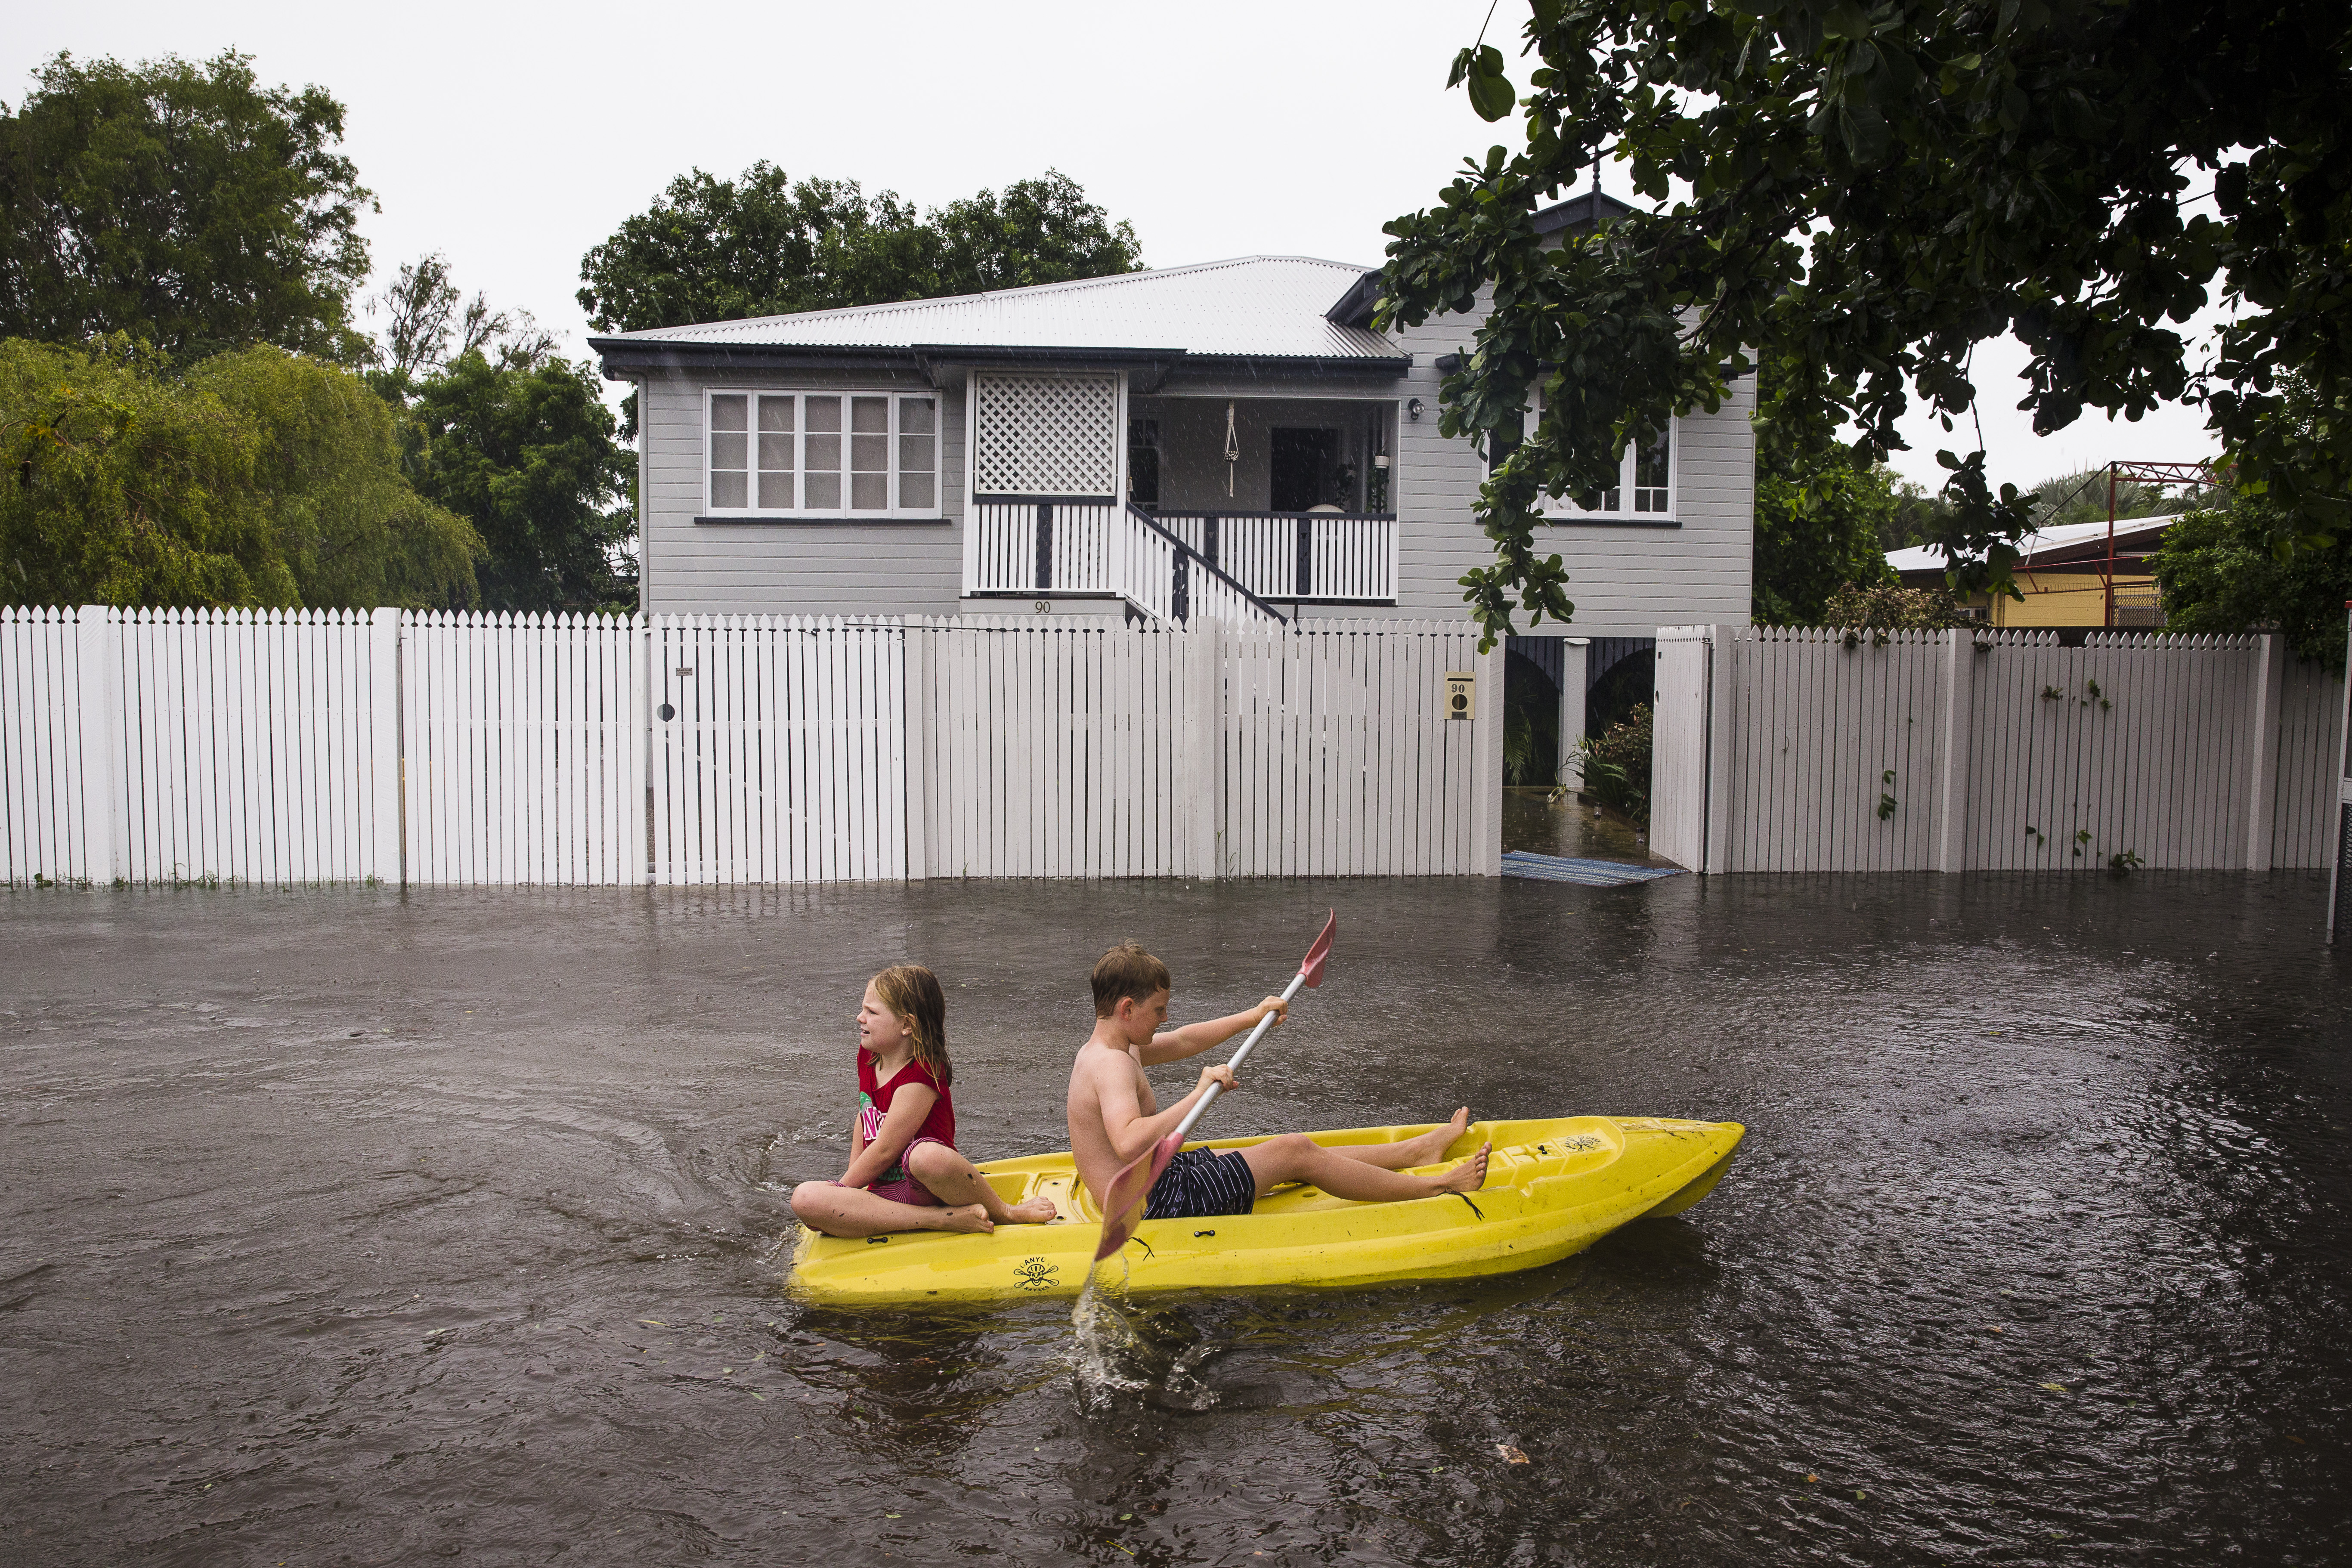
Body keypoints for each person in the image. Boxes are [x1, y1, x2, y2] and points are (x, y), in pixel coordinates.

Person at [1066, 941, 1488, 1226]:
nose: (1165, 1018)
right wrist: (1196, 1095)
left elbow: (1183, 1040)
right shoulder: (1113, 1066)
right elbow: (1126, 1140)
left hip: (1154, 1179)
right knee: (1293, 1150)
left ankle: (1415, 1151)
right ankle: (1439, 1186)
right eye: (1158, 1009)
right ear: (1127, 1007)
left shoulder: (1109, 1047)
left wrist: (1253, 1016)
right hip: (1153, 1204)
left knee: (1267, 1154)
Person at [792, 964, 1058, 1238]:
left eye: (872, 1012)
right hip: (886, 1194)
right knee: (804, 1197)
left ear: (907, 1025)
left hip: (927, 1188)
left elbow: (885, 1149)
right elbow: (865, 1116)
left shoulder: (922, 1072)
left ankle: (1006, 1213)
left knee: (925, 1156)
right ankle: (941, 1220)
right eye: (863, 1009)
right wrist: (848, 1195)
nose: (860, 1018)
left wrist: (842, 1191)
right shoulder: (870, 1055)